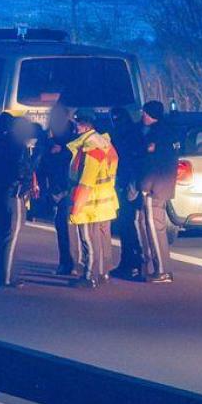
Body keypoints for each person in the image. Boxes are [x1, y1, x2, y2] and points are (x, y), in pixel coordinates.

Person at [66, 110, 119, 287]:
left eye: (76, 124)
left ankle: (89, 276)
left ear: (84, 125)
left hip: (90, 201)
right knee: (100, 238)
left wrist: (77, 206)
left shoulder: (91, 146)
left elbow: (86, 180)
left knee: (88, 239)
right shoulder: (104, 142)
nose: (74, 128)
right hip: (104, 199)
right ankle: (102, 273)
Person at [0, 115, 37, 287]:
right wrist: (25, 186)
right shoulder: (17, 144)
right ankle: (5, 277)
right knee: (10, 234)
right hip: (12, 192)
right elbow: (23, 169)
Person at [133, 99, 176, 283]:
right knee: (151, 225)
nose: (143, 116)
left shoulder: (156, 135)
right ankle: (157, 266)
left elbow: (152, 164)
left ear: (152, 115)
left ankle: (162, 270)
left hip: (154, 188)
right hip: (163, 186)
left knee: (154, 226)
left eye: (145, 113)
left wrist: (144, 186)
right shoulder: (169, 132)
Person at [35, 113, 77, 275]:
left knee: (68, 227)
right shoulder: (48, 142)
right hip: (57, 188)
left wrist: (62, 150)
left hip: (68, 188)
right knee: (62, 227)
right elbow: (42, 167)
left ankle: (71, 263)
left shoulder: (73, 142)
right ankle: (66, 262)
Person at [108, 106, 146, 279]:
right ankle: (129, 262)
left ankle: (134, 262)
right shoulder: (133, 133)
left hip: (126, 183)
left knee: (128, 226)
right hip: (124, 183)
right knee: (126, 226)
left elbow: (131, 162)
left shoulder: (126, 135)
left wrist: (130, 185)